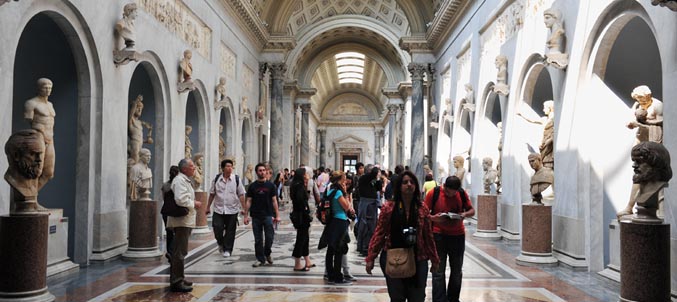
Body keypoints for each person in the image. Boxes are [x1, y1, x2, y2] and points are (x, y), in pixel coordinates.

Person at [366, 171, 440, 301]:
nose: (409, 185)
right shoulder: (389, 207)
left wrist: (434, 259)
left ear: (416, 186)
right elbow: (379, 233)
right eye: (405, 182)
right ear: (399, 186)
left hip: (418, 257)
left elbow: (428, 235)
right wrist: (371, 257)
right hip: (393, 256)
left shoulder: (422, 207)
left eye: (412, 182)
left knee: (417, 296)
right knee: (397, 297)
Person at [426, 176, 475, 302]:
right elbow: (423, 213)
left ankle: (453, 298)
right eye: (449, 193)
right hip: (439, 235)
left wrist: (463, 214)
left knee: (457, 270)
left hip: (457, 236)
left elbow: (472, 210)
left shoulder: (461, 193)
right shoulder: (434, 193)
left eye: (454, 193)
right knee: (438, 270)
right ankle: (439, 299)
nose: (451, 195)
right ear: (445, 187)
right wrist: (434, 218)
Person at [167, 158, 201, 292]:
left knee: (180, 251)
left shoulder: (184, 180)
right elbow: (180, 199)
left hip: (185, 220)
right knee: (179, 252)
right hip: (181, 221)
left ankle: (179, 277)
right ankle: (176, 281)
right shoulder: (179, 180)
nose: (194, 168)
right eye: (192, 166)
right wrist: (194, 204)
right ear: (185, 168)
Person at [207, 159, 246, 258]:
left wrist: (244, 208)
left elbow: (241, 194)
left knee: (230, 231)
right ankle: (221, 243)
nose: (230, 168)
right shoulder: (216, 179)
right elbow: (212, 194)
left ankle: (228, 249)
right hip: (218, 209)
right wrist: (207, 207)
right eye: (227, 166)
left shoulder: (236, 179)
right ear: (223, 168)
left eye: (231, 166)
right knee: (217, 228)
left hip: (232, 209)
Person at [244, 163, 280, 267]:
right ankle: (260, 258)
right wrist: (246, 215)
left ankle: (267, 253)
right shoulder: (252, 186)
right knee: (258, 239)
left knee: (269, 237)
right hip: (256, 215)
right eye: (260, 170)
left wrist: (277, 215)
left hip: (268, 215)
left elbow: (274, 201)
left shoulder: (271, 186)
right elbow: (249, 201)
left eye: (264, 170)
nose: (262, 172)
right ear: (256, 172)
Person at [322, 171, 355, 285]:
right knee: (339, 249)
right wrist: (346, 193)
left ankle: (330, 275)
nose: (345, 181)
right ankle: (337, 277)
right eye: (344, 179)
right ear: (340, 180)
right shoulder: (339, 192)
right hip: (340, 221)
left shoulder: (330, 190)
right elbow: (347, 207)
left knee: (331, 249)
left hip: (332, 222)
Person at [3, 129, 47, 213]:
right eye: (33, 154)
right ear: (17, 156)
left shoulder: (33, 182)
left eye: (40, 154)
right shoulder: (12, 180)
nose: (39, 160)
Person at [24, 78, 55, 189]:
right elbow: (29, 120)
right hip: (38, 137)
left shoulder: (50, 105)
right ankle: (28, 198)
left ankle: (31, 196)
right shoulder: (31, 103)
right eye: (45, 88)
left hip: (50, 138)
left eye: (50, 88)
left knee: (49, 172)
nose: (48, 90)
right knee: (36, 170)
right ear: (39, 88)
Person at [290, 168, 314, 271]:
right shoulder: (299, 186)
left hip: (300, 215)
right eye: (306, 174)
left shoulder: (298, 185)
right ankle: (297, 263)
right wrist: (306, 210)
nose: (307, 175)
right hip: (301, 216)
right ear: (302, 175)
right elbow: (301, 201)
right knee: (301, 238)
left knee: (305, 237)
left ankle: (307, 260)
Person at [356, 165, 382, 256]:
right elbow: (374, 172)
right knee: (365, 225)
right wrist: (376, 169)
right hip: (366, 204)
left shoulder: (373, 180)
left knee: (372, 226)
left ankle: (369, 246)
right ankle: (363, 246)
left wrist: (378, 179)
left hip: (372, 204)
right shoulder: (364, 178)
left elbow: (379, 188)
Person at [161, 166, 180, 261]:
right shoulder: (178, 185)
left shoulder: (165, 185)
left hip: (166, 211)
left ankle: (170, 251)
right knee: (177, 232)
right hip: (175, 211)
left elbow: (164, 198)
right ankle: (173, 252)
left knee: (169, 232)